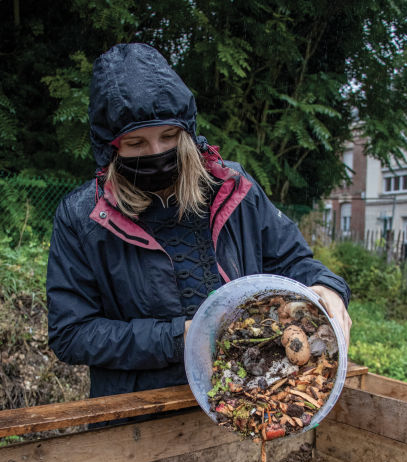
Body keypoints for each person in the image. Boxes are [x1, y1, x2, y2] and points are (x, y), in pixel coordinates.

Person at [47, 43, 351, 399]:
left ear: (187, 131)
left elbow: (293, 262)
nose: (157, 152)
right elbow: (72, 334)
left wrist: (328, 286)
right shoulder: (83, 219)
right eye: (136, 143)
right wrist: (183, 337)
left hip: (242, 396)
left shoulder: (233, 189)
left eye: (169, 136)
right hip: (138, 412)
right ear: (111, 149)